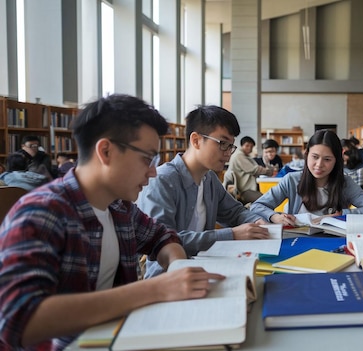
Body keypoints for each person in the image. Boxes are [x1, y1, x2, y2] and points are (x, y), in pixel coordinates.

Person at [0, 94, 222, 350]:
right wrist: (154, 290)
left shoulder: (119, 207)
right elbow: (20, 319)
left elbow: (162, 237)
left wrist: (178, 265)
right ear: (105, 151)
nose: (152, 171)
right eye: (147, 158)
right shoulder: (41, 213)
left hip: (121, 336)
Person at [136, 105, 270, 278]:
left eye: (231, 146)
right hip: (167, 278)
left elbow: (235, 212)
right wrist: (231, 234)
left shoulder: (209, 179)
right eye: (222, 144)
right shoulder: (162, 180)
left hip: (207, 267)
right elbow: (163, 240)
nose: (228, 153)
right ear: (196, 140)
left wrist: (258, 221)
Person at [250, 130, 363, 225]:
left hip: (334, 241)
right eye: (314, 157)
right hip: (297, 241)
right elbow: (257, 206)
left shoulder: (344, 182)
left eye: (327, 159)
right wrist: (275, 217)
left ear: (336, 160)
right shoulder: (291, 180)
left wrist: (341, 215)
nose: (319, 165)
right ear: (307, 154)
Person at [227, 136, 273, 203]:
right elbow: (254, 169)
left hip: (248, 187)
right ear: (242, 145)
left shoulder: (245, 156)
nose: (249, 148)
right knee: (266, 200)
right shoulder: (239, 156)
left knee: (269, 195)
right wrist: (269, 172)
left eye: (251, 146)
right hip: (244, 190)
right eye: (247, 145)